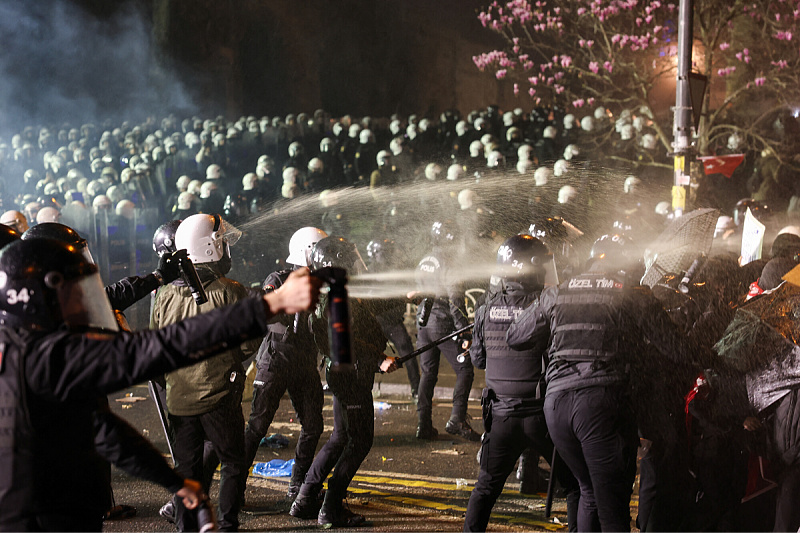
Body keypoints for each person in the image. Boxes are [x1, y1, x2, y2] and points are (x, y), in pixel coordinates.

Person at [0, 237, 321, 531]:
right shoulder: (47, 357)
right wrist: (270, 305)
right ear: (41, 294)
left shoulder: (22, 348)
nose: (86, 301)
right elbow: (165, 345)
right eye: (75, 291)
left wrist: (174, 483)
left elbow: (102, 431)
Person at [507, 233, 688, 532]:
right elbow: (677, 349)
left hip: (557, 408)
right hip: (600, 405)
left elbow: (516, 337)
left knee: (589, 491)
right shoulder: (630, 291)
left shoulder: (559, 291)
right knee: (612, 505)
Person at [151, 213, 259, 532]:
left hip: (179, 400)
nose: (226, 249)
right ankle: (226, 525)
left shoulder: (164, 294)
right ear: (208, 249)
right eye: (221, 244)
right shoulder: (229, 290)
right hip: (218, 396)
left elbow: (155, 345)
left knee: (187, 473)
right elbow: (249, 339)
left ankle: (187, 527)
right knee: (233, 463)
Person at [464, 234, 579, 532]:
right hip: (542, 418)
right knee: (576, 487)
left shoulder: (484, 309)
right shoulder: (544, 307)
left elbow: (478, 360)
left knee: (485, 489)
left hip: (500, 418)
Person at [290, 236, 398, 528]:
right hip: (348, 375)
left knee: (340, 437)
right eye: (349, 259)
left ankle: (305, 497)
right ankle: (331, 506)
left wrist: (407, 294)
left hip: (345, 373)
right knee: (360, 441)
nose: (355, 263)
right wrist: (379, 359)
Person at [242, 227, 326, 501]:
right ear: (307, 251)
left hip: (304, 362)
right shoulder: (277, 279)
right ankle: (235, 487)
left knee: (313, 426)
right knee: (257, 427)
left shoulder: (322, 285)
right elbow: (267, 308)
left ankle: (298, 485)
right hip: (276, 359)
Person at [412, 221, 479, 441]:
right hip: (442, 323)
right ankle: (457, 419)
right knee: (465, 369)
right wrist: (464, 332)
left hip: (423, 322)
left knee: (428, 374)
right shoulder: (448, 261)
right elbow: (456, 300)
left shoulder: (425, 259)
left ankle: (423, 425)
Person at [365, 238, 420, 398]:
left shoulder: (370, 270)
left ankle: (366, 388)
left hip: (378, 321)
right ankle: (416, 390)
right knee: (407, 354)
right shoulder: (391, 270)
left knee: (369, 354)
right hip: (390, 322)